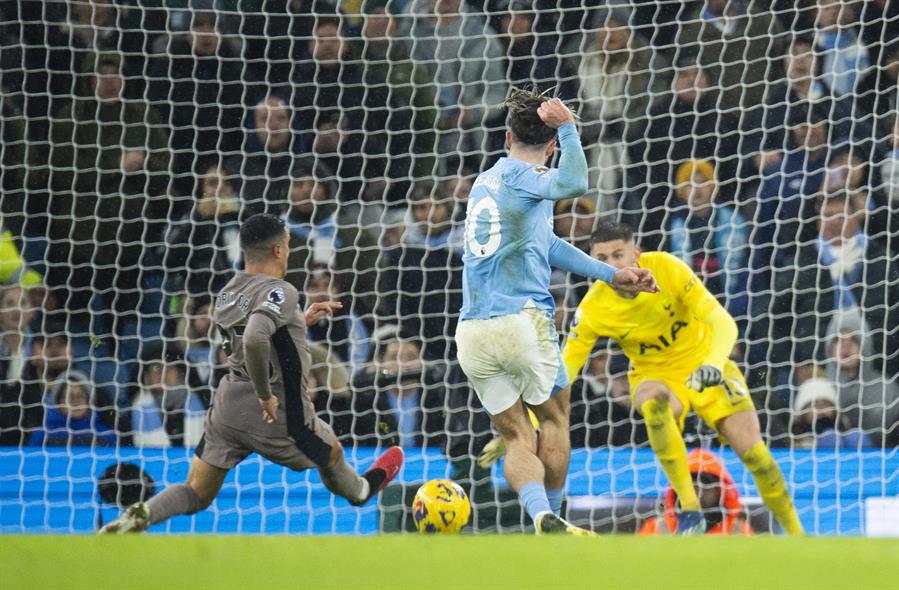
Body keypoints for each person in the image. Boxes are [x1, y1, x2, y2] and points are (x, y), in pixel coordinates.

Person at [100, 214, 403, 533]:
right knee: (332, 454)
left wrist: (299, 322)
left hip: (228, 405)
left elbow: (258, 332)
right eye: (287, 246)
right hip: (276, 410)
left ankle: (141, 515)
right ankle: (361, 492)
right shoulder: (280, 291)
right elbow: (257, 336)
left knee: (196, 491)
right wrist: (264, 394)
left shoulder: (228, 290)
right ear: (277, 250)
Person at [454, 89, 657, 535]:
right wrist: (568, 126)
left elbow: (545, 244)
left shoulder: (484, 183)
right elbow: (573, 185)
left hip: (471, 331)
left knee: (516, 437)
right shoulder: (529, 177)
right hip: (520, 322)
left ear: (507, 136)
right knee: (554, 419)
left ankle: (540, 515)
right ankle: (557, 516)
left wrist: (608, 273)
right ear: (550, 147)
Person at [559, 221, 803, 535]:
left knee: (757, 457)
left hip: (707, 363)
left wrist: (714, 365)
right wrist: (532, 421)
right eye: (601, 259)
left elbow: (723, 322)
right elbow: (565, 372)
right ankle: (689, 508)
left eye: (618, 255)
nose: (612, 265)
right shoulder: (592, 308)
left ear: (637, 253)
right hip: (656, 375)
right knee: (653, 403)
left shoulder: (667, 269)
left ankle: (797, 535)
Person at [638, 449, 754, 536]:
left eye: (706, 486)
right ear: (677, 491)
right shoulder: (656, 528)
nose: (699, 493)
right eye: (692, 486)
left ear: (719, 491)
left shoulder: (739, 530)